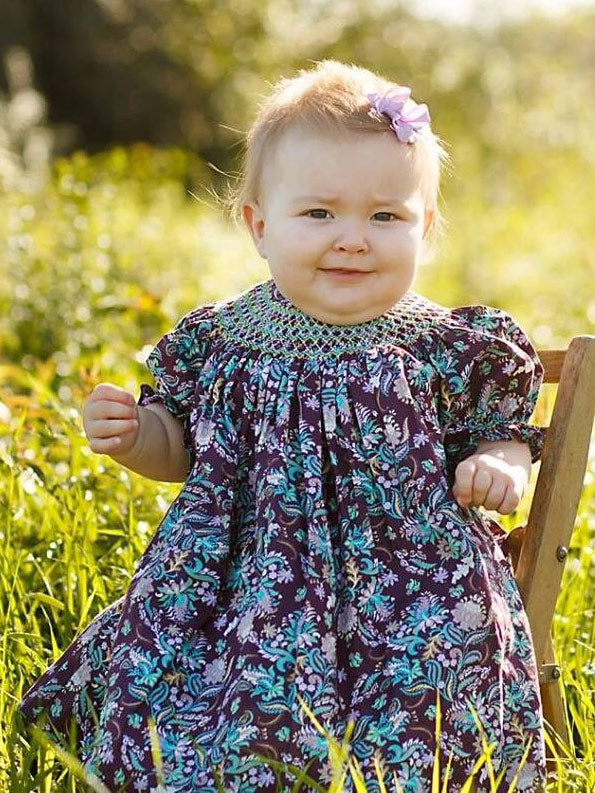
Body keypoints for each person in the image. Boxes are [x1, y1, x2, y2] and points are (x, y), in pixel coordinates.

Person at [19, 60, 549, 793]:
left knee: (435, 689)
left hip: (413, 585)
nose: (352, 239)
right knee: (208, 701)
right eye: (319, 213)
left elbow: (503, 428)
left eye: (384, 215)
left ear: (424, 229)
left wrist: (502, 465)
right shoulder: (221, 342)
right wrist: (137, 436)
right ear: (258, 226)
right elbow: (180, 451)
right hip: (246, 584)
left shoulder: (448, 349)